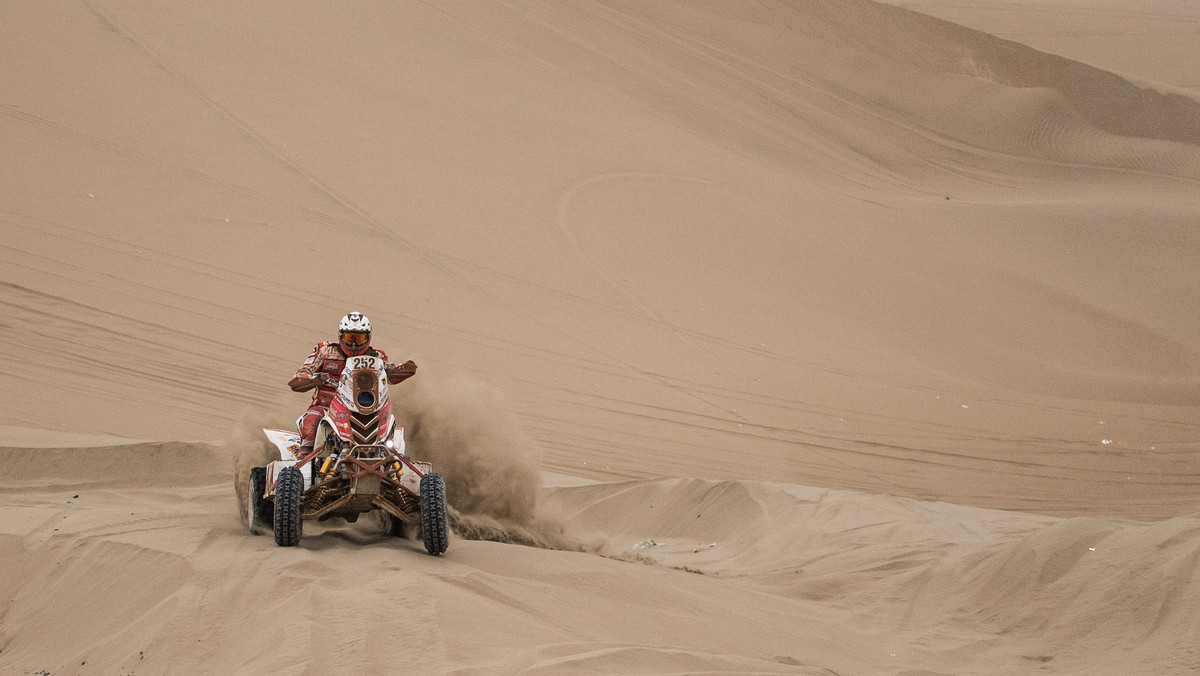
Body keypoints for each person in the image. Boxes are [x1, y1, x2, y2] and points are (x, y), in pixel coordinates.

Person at [288, 311, 417, 453]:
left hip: (364, 407)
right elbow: (304, 371)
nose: (354, 344)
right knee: (311, 421)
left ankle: (393, 460)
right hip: (326, 407)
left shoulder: (376, 356)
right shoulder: (325, 352)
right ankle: (303, 463)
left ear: (368, 337)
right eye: (349, 338)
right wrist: (311, 378)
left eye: (359, 338)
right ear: (340, 336)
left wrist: (400, 370)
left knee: (389, 426)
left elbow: (389, 371)